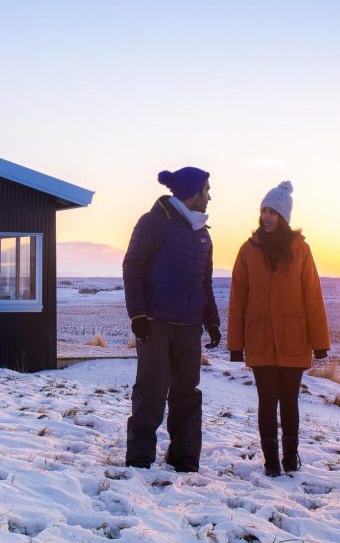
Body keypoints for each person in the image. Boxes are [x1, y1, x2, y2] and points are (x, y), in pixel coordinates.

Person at [227, 181, 330, 476]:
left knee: (290, 402)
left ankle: (290, 458)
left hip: (294, 340)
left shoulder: (301, 250)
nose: (266, 217)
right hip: (260, 340)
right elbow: (238, 298)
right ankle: (271, 461)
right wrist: (236, 344)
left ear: (284, 216)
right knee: (266, 401)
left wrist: (320, 342)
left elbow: (313, 295)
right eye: (264, 211)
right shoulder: (248, 250)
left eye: (273, 212)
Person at [123, 166, 220, 472]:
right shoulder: (154, 223)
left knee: (187, 394)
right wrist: (138, 315)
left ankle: (184, 459)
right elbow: (133, 266)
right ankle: (139, 460)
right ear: (192, 192)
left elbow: (204, 282)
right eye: (206, 190)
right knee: (151, 391)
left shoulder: (202, 234)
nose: (209, 196)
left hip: (189, 327)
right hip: (156, 322)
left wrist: (212, 321)